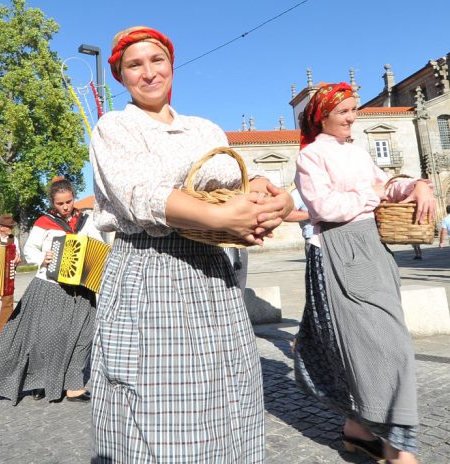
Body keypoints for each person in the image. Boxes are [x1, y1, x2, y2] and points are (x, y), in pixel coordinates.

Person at [88, 26, 292, 462]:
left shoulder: (204, 129)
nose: (148, 73)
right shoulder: (115, 126)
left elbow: (236, 178)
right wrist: (218, 215)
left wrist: (274, 193)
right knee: (155, 394)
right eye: (134, 65)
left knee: (223, 389)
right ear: (121, 77)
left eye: (156, 60)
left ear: (171, 65)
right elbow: (139, 192)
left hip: (210, 269)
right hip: (149, 267)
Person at [293, 82, 434, 464]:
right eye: (344, 112)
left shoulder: (355, 150)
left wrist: (419, 186)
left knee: (381, 343)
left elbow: (386, 185)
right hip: (340, 249)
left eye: (354, 110)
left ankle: (358, 431)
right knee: (385, 348)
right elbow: (322, 207)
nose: (352, 118)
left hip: (373, 247)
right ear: (322, 116)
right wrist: (371, 194)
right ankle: (398, 448)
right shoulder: (310, 156)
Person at [0, 177, 103, 404]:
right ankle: (39, 381)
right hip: (51, 285)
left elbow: (98, 245)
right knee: (47, 335)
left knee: (84, 335)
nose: (65, 207)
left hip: (82, 287)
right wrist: (42, 258)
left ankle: (74, 384)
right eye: (60, 203)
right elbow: (30, 248)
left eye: (69, 201)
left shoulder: (87, 220)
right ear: (52, 203)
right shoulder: (45, 222)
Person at [285, 187, 314, 254]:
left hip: (335, 235)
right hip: (314, 238)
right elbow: (286, 214)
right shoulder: (299, 193)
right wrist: (312, 215)